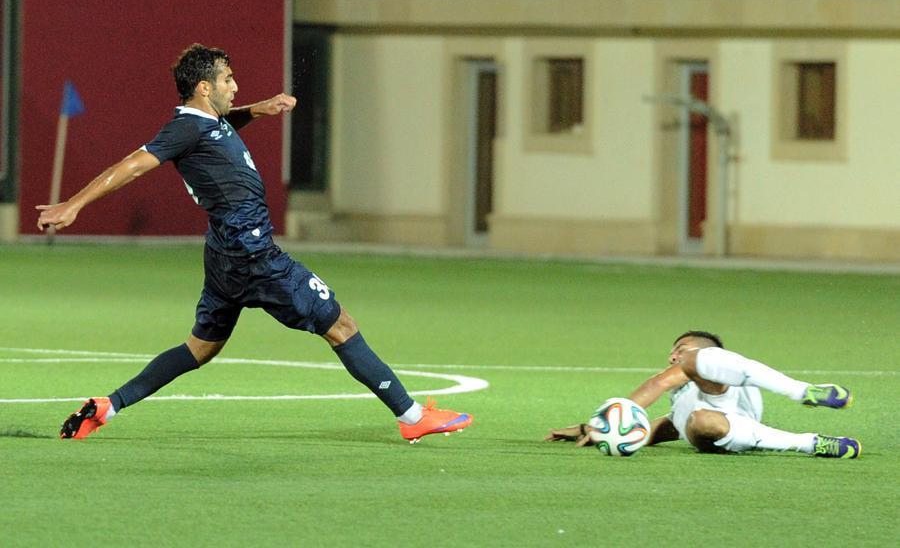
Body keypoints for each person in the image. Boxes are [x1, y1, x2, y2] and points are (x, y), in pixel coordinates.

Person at [37, 43, 472, 444]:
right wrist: (74, 204)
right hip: (254, 255)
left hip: (225, 255)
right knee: (341, 325)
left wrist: (259, 110)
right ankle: (412, 417)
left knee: (200, 349)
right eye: (227, 80)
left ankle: (108, 406)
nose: (235, 86)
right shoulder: (185, 128)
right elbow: (133, 165)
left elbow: (222, 126)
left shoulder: (207, 123)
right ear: (204, 87)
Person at [545, 330, 860, 458]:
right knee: (699, 421)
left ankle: (804, 391)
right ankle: (813, 443)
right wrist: (595, 430)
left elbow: (655, 385)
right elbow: (647, 431)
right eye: (673, 351)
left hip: (728, 398)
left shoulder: (703, 363)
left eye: (681, 348)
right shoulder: (684, 408)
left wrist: (611, 416)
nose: (673, 355)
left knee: (696, 372)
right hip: (719, 428)